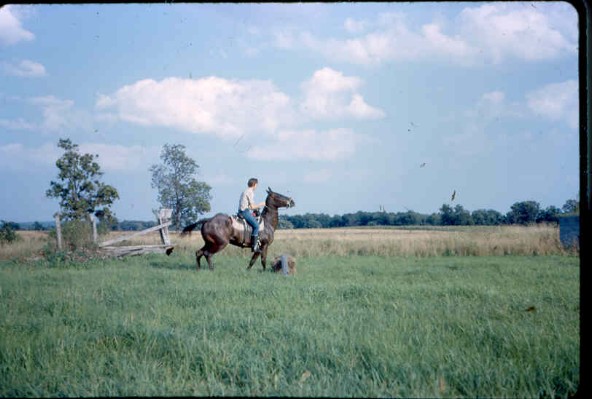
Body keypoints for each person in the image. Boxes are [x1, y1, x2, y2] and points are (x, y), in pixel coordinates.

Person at [238, 178, 266, 252]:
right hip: (245, 212)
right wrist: (262, 204)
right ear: (254, 184)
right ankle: (254, 246)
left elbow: (250, 206)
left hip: (242, 211)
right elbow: (253, 207)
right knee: (256, 226)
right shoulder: (250, 192)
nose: (257, 187)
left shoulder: (245, 191)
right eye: (257, 185)